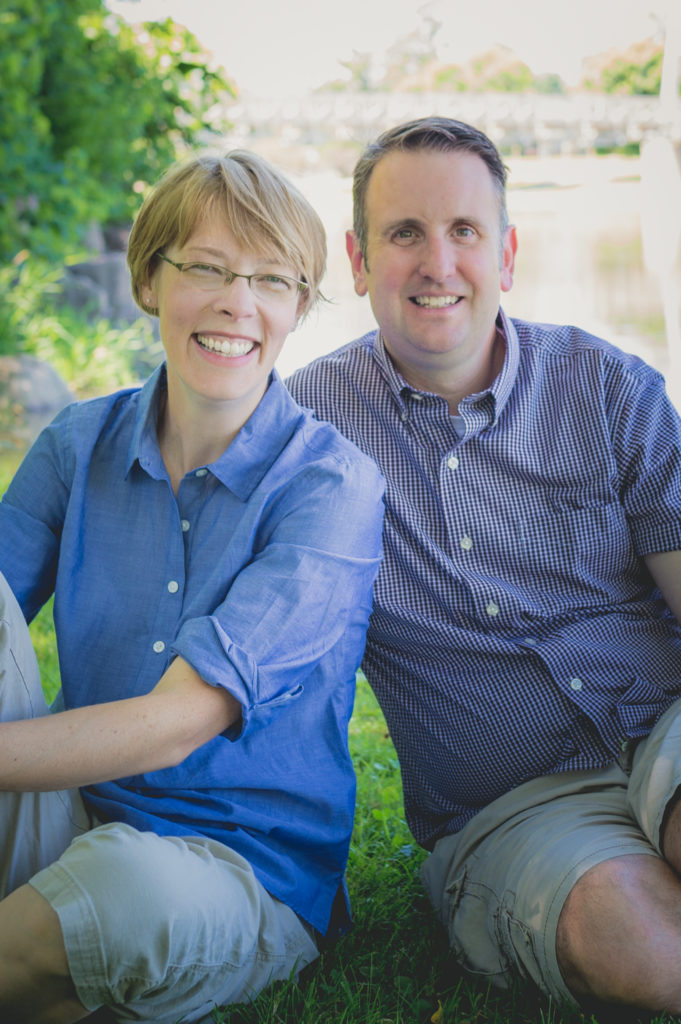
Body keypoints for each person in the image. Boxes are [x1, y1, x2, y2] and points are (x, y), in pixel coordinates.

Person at [286, 115, 681, 1015]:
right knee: (628, 933)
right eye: (403, 234)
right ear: (356, 259)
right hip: (514, 810)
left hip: (666, 725)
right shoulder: (305, 439)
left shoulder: (608, 387)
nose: (437, 263)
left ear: (504, 255)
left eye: (463, 231)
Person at [0, 149, 384, 1023]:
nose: (234, 303)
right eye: (204, 268)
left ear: (296, 307)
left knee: (123, 894)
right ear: (148, 281)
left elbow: (183, 723)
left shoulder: (329, 486)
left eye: (270, 280)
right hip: (70, 821)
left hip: (235, 867)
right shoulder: (76, 443)